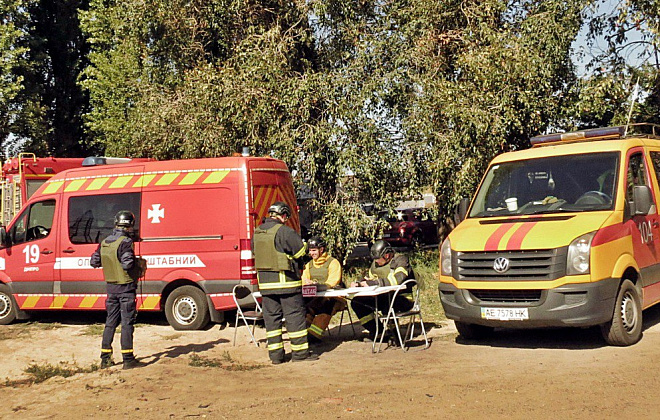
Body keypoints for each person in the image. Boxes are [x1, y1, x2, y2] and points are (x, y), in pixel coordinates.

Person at [253, 201, 317, 364]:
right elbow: (301, 254)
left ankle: (276, 357)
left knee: (272, 320)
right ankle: (300, 354)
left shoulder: (257, 233)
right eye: (286, 217)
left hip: (266, 287)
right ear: (282, 215)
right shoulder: (285, 232)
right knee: (294, 317)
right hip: (287, 284)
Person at [90, 210, 143, 370]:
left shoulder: (105, 241)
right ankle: (128, 359)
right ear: (130, 225)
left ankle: (105, 358)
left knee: (110, 323)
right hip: (125, 288)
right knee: (127, 323)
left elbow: (94, 261)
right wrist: (136, 263)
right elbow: (127, 264)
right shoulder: (125, 242)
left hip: (111, 288)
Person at [350, 239, 415, 342]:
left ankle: (395, 334)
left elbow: (398, 279)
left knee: (387, 304)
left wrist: (374, 283)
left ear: (387, 255)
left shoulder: (401, 261)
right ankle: (378, 332)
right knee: (357, 302)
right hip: (383, 297)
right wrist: (359, 284)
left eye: (378, 259)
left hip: (402, 298)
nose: (376, 261)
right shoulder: (375, 265)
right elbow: (368, 279)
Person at [302, 236, 344, 343]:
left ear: (321, 250)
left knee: (327, 306)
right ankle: (304, 334)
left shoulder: (333, 263)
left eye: (314, 250)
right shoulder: (308, 266)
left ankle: (314, 336)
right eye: (310, 251)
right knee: (303, 307)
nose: (311, 253)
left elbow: (332, 282)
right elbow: (303, 281)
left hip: (334, 299)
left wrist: (317, 285)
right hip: (315, 298)